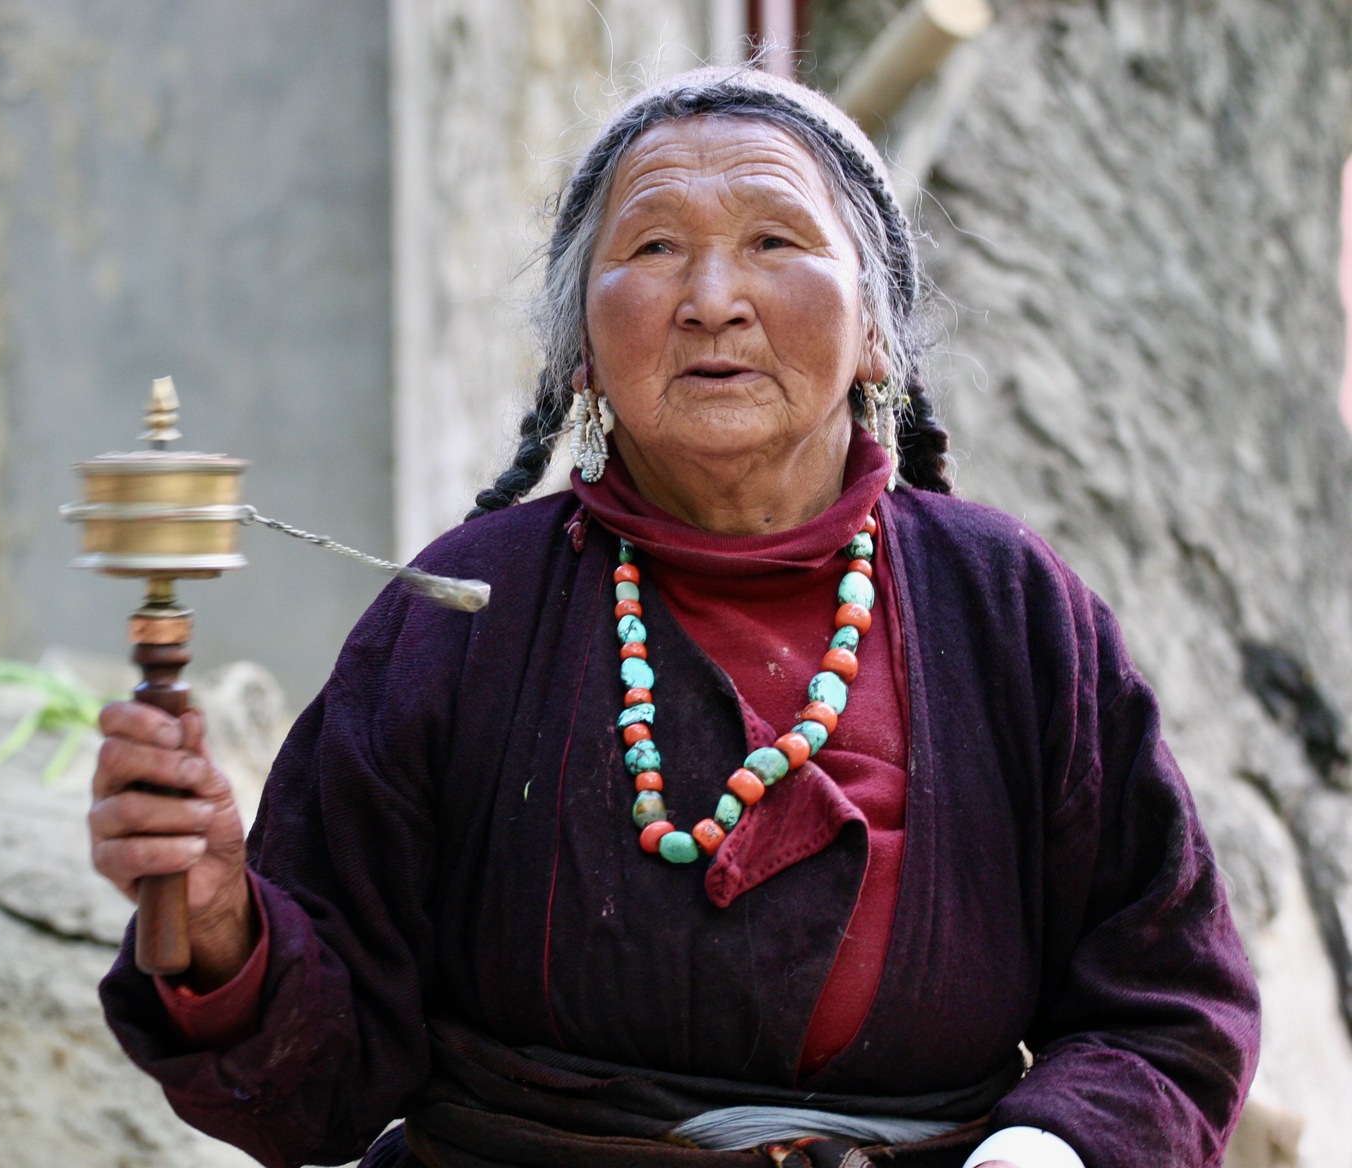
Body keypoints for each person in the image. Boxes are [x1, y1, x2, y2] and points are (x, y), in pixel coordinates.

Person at [89, 67, 1259, 1168]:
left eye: (774, 242)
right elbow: (323, 1080)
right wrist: (222, 928)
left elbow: (1167, 1002)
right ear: (581, 352)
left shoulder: (1004, 606)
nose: (712, 302)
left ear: (873, 334)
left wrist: (1047, 1151)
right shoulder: (463, 614)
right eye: (653, 248)